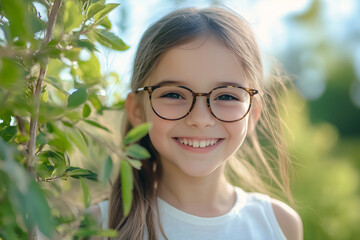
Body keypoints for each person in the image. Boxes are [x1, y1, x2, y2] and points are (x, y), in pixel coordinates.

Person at [89, 6, 303, 240]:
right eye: (173, 95)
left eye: (226, 96)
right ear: (137, 110)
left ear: (252, 113)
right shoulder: (95, 227)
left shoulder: (279, 225)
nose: (200, 119)